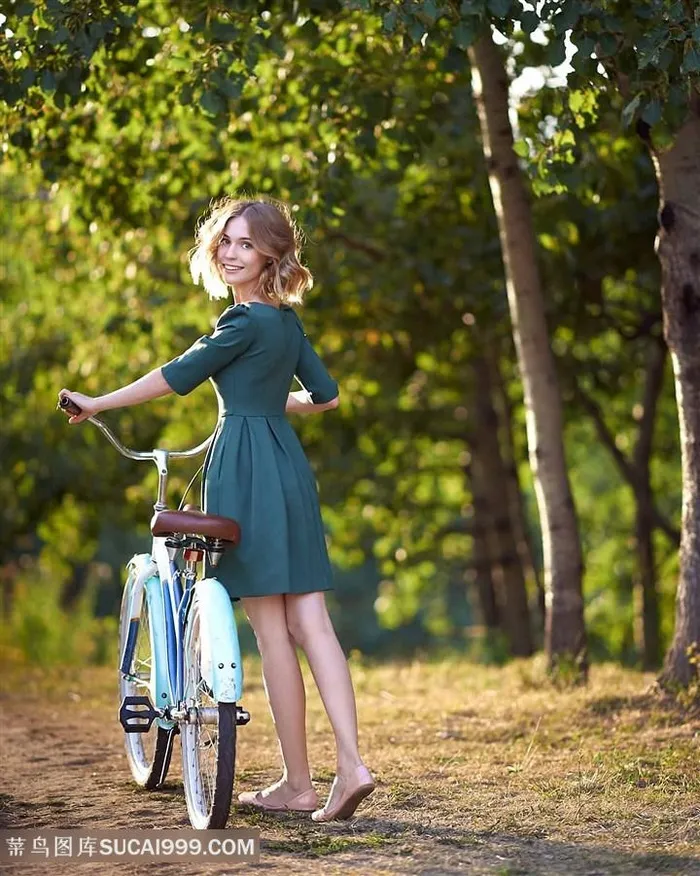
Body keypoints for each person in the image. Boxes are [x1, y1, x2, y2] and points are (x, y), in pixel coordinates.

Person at [59, 196, 374, 822]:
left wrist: (97, 402)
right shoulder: (284, 323)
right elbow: (327, 396)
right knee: (311, 621)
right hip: (289, 469)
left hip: (246, 472)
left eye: (246, 245)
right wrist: (261, 402)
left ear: (270, 257)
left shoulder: (241, 324)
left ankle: (300, 783)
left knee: (271, 627)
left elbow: (175, 375)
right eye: (225, 241)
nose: (231, 253)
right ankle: (351, 764)